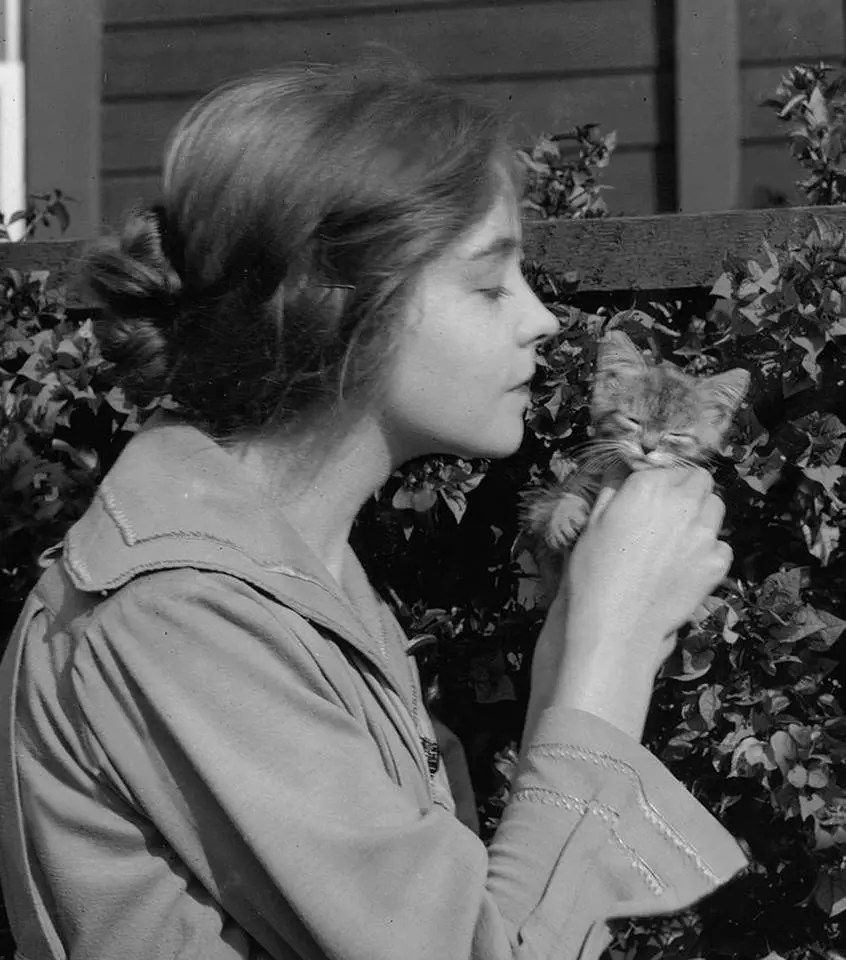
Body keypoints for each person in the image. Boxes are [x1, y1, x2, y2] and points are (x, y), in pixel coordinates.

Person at [0, 63, 747, 960]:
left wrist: (579, 630)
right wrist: (612, 647)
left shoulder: (292, 571)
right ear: (341, 303)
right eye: (488, 283)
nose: (544, 319)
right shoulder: (184, 617)